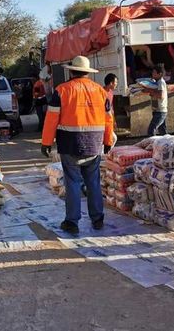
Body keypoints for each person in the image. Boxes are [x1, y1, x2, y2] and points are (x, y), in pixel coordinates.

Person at [41, 55, 114, 235]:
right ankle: (97, 219)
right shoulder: (100, 91)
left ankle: (72, 222)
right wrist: (107, 141)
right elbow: (108, 119)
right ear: (87, 72)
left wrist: (46, 143)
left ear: (71, 71)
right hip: (94, 145)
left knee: (72, 182)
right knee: (93, 182)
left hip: (70, 144)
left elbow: (51, 119)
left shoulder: (62, 90)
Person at [142, 64, 168, 136]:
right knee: (163, 132)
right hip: (157, 110)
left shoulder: (161, 82)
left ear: (160, 74)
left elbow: (161, 95)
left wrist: (149, 90)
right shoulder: (156, 82)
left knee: (151, 130)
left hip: (160, 111)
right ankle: (165, 145)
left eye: (154, 72)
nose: (152, 74)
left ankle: (153, 145)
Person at [103, 73, 118, 146]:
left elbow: (111, 107)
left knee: (112, 138)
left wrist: (113, 120)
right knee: (113, 138)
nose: (116, 84)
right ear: (111, 83)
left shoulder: (111, 92)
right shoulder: (102, 92)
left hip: (108, 120)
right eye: (116, 82)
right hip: (103, 121)